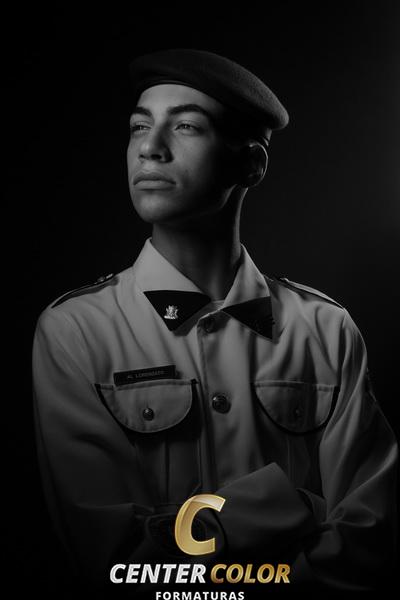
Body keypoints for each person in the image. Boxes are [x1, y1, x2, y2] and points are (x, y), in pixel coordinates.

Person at [32, 49, 398, 595]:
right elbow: (114, 559)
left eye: (185, 126)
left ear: (251, 165)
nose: (150, 148)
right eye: (139, 127)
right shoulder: (76, 331)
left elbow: (370, 540)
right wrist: (293, 506)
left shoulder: (326, 330)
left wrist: (195, 543)